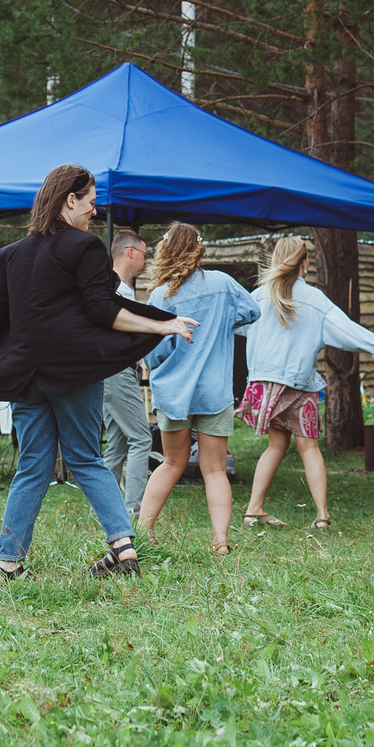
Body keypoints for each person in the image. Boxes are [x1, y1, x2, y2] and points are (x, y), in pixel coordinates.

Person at [0, 165, 196, 582]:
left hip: (26, 378)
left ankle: (6, 565)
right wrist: (161, 324)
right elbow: (103, 309)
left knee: (32, 466)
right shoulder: (83, 248)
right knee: (86, 457)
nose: (94, 211)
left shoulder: (10, 254)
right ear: (70, 200)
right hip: (72, 372)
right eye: (89, 202)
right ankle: (123, 549)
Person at [238, 236, 374, 532]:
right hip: (298, 385)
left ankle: (254, 510)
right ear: (305, 262)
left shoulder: (259, 296)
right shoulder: (313, 299)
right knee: (309, 448)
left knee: (276, 446)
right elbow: (345, 328)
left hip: (265, 385)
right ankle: (321, 516)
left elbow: (233, 323)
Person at [135, 222, 262, 553]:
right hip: (215, 391)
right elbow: (253, 310)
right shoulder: (223, 283)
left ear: (167, 250)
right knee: (215, 468)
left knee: (171, 464)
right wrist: (221, 324)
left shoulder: (161, 294)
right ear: (199, 249)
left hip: (175, 392)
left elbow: (156, 351)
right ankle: (220, 542)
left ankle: (143, 532)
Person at [100, 231, 156, 517]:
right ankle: (133, 511)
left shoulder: (123, 288)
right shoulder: (115, 289)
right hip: (117, 373)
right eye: (145, 254)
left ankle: (103, 509)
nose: (147, 261)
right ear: (130, 252)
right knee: (141, 438)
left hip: (114, 373)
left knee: (118, 444)